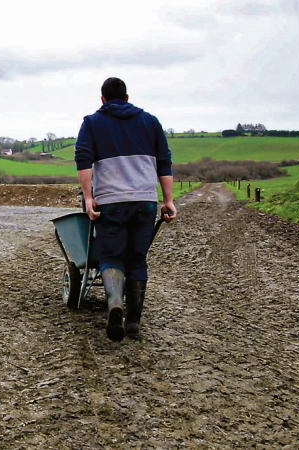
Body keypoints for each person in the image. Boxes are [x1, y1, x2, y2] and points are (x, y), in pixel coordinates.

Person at [74, 77, 177, 342]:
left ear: (102, 99)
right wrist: (168, 200)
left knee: (111, 257)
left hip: (110, 202)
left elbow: (83, 160)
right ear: (128, 98)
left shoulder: (92, 123)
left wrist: (88, 197)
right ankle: (133, 321)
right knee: (137, 259)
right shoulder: (150, 121)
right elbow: (164, 162)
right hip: (144, 202)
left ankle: (115, 305)